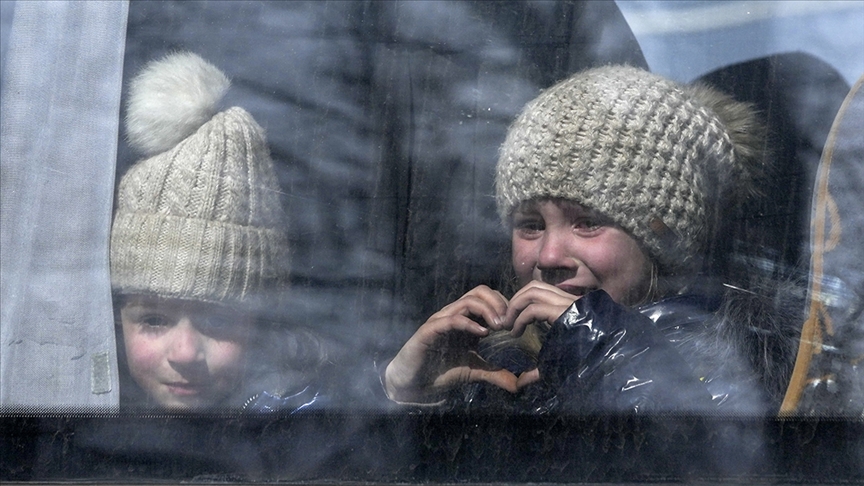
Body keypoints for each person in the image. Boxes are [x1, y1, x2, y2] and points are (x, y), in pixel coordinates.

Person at [383, 65, 801, 414]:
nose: (548, 255)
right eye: (530, 225)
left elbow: (702, 460)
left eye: (587, 223)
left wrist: (603, 346)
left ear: (667, 240)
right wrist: (406, 394)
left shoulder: (738, 369)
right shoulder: (498, 367)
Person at [111, 52, 323, 411]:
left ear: (261, 326)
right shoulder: (69, 425)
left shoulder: (306, 420)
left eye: (219, 319)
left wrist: (397, 389)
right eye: (153, 319)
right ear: (117, 322)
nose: (185, 353)